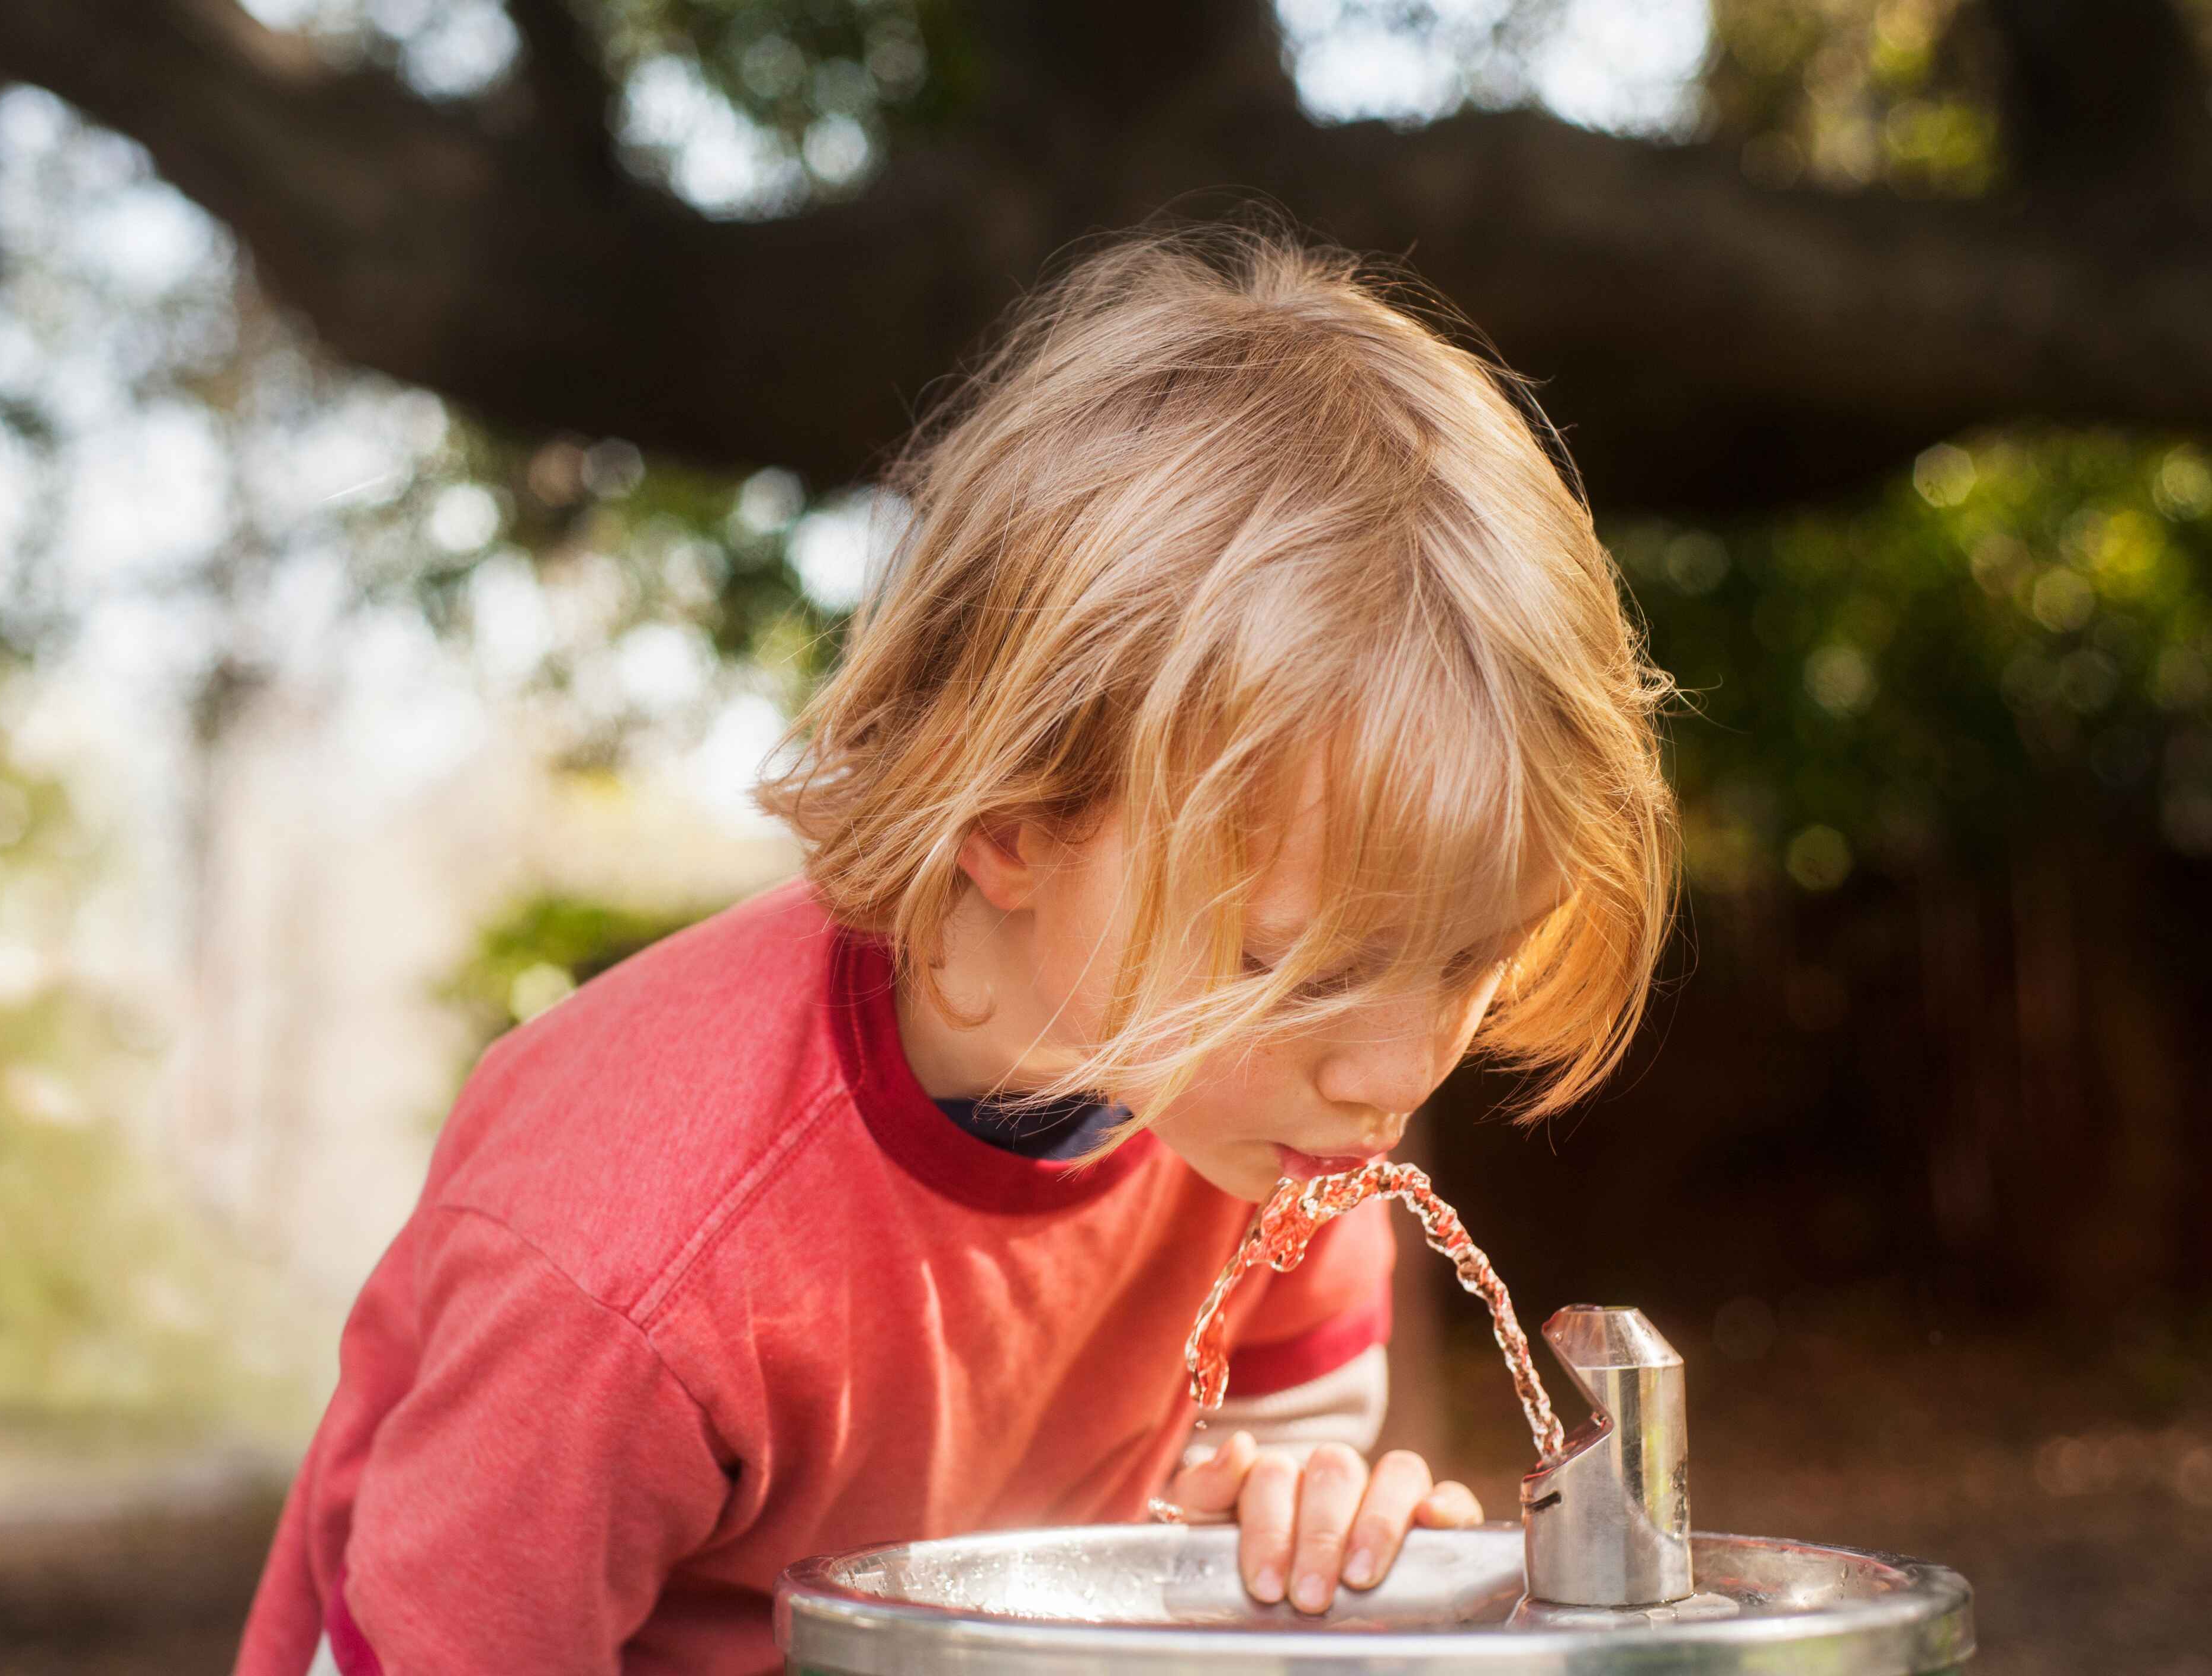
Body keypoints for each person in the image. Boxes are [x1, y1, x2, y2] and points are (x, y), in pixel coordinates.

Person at [234, 220, 1679, 1675]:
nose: (1394, 1071)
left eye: (1463, 958)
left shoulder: (1268, 1124)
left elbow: (1249, 1460)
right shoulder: (630, 1265)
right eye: (1294, 971)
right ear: (1010, 828)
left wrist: (1288, 1517)